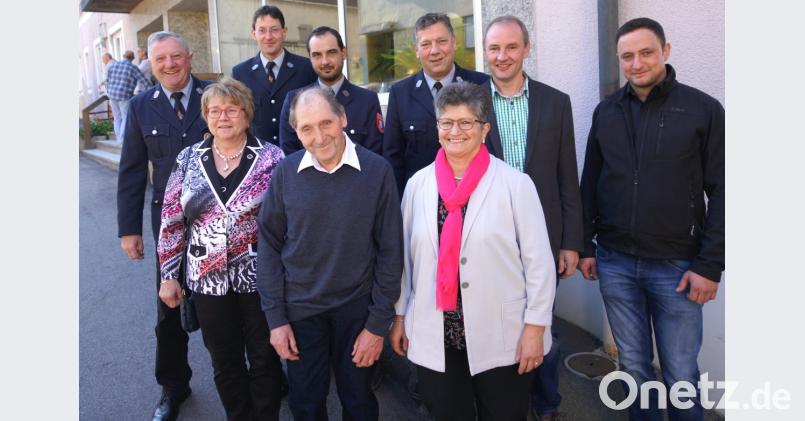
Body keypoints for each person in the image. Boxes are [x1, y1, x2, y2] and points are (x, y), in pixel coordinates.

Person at [578, 17, 725, 420]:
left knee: (681, 375)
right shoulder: (606, 112)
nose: (636, 63)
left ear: (666, 51)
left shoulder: (702, 110)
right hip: (615, 262)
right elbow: (590, 184)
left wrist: (710, 265)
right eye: (627, 56)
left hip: (678, 267)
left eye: (646, 52)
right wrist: (586, 245)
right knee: (634, 369)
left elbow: (726, 190)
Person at [389, 82, 557, 421]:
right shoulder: (417, 185)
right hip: (437, 334)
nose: (455, 131)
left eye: (466, 123)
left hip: (503, 336)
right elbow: (404, 262)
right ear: (437, 128)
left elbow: (539, 263)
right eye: (446, 122)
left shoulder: (515, 184)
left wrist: (536, 328)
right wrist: (400, 317)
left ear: (485, 130)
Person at [257, 86, 403, 421]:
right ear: (296, 132)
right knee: (306, 404)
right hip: (301, 311)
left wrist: (377, 326)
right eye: (306, 128)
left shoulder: (377, 171)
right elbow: (269, 246)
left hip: (356, 310)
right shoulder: (285, 174)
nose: (319, 137)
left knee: (359, 401)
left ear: (343, 118)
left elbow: (391, 253)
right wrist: (276, 320)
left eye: (326, 123)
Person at [157, 77, 285, 421]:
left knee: (264, 355)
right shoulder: (189, 158)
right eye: (215, 110)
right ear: (205, 116)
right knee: (224, 358)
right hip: (206, 276)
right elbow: (171, 219)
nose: (223, 116)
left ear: (247, 114)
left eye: (232, 109)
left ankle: (266, 415)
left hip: (261, 277)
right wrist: (169, 276)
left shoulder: (272, 157)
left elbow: (288, 219)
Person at [482, 15, 583, 421]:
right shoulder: (470, 100)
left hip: (543, 235)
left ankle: (547, 402)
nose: (502, 56)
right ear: (485, 53)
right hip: (489, 237)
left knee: (544, 327)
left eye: (510, 47)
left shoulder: (556, 102)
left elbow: (566, 175)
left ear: (527, 48)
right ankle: (508, 404)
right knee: (498, 326)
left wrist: (571, 241)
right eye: (494, 48)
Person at [117, 31, 212, 421]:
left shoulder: (216, 96)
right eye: (161, 60)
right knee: (168, 310)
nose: (170, 65)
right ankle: (173, 387)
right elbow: (132, 169)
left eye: (176, 56)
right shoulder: (141, 106)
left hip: (220, 221)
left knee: (238, 306)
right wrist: (129, 229)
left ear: (190, 57)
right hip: (169, 229)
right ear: (150, 65)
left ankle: (259, 377)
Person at [383, 12, 488, 193]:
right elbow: (393, 158)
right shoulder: (400, 94)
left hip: (475, 193)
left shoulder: (480, 85)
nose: (434, 50)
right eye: (425, 44)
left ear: (454, 42)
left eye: (442, 41)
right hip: (421, 198)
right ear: (416, 49)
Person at [279, 26, 383, 155]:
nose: (325, 61)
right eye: (317, 55)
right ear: (310, 57)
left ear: (343, 53)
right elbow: (290, 154)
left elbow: (374, 154)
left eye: (331, 52)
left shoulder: (367, 101)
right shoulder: (294, 100)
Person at [232, 5, 317, 145]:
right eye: (262, 30)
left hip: (298, 151)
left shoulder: (306, 68)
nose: (268, 37)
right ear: (253, 33)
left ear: (284, 32)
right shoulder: (241, 73)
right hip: (258, 155)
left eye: (274, 30)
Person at [106, 49, 153, 143]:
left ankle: (118, 139)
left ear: (123, 56)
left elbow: (107, 80)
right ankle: (122, 140)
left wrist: (109, 92)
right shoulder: (133, 67)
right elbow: (144, 81)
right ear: (132, 58)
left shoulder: (113, 65)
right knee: (125, 118)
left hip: (112, 95)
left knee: (117, 118)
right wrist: (154, 91)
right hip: (124, 96)